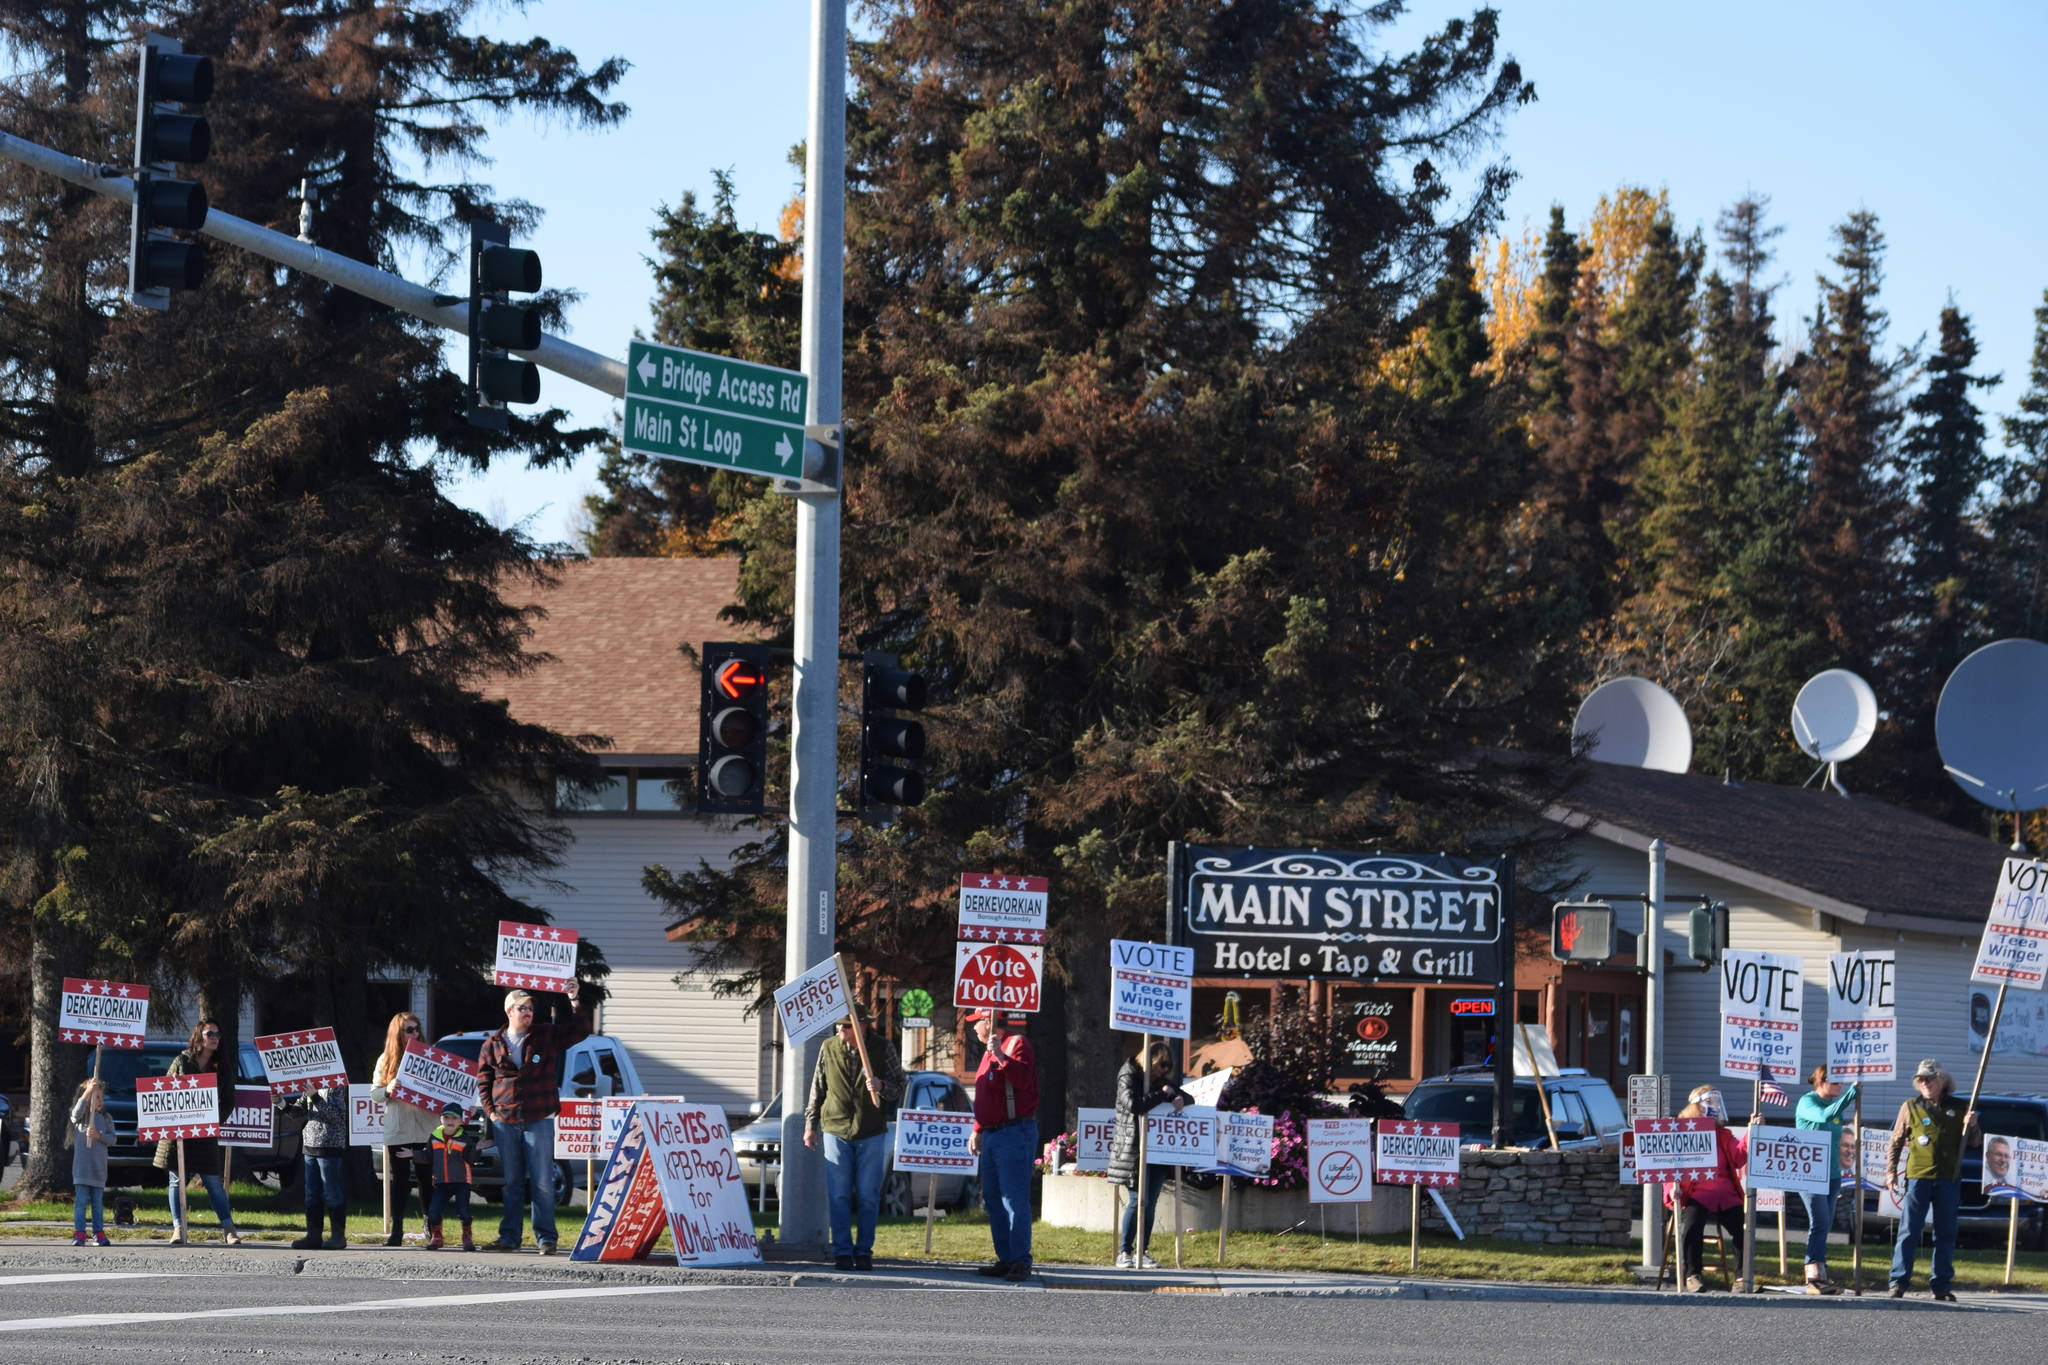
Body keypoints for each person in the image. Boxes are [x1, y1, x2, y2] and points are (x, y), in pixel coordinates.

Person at [476, 980, 585, 1254]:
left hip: (539, 1118)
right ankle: (509, 1238)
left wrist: (574, 998)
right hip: (506, 1121)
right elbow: (483, 1081)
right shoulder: (492, 1044)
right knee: (512, 1183)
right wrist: (491, 1113)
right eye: (522, 1008)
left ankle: (546, 1238)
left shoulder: (545, 1035)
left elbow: (580, 1031)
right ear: (509, 1011)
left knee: (542, 1182)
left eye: (530, 1008)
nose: (528, 1012)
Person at [802, 1012, 906, 1271]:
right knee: (838, 1195)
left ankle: (864, 1252)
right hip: (836, 1128)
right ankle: (842, 1252)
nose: (840, 1030)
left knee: (869, 1196)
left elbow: (900, 1086)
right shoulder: (829, 1047)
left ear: (861, 1026)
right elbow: (818, 1088)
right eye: (838, 1025)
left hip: (871, 1131)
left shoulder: (882, 1048)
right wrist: (810, 1125)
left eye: (846, 1026)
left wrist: (881, 1086)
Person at [1886, 1057, 1980, 1301]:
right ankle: (1898, 1282)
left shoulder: (1960, 1107)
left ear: (1941, 1080)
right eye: (1921, 1079)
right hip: (1918, 1177)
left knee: (1946, 1233)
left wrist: (1972, 1126)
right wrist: (1890, 1172)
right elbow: (1895, 1141)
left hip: (1949, 1178)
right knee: (1909, 1231)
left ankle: (1941, 1284)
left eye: (1930, 1078)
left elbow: (1974, 1142)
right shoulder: (1910, 1106)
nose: (1925, 1082)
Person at [152, 1018, 243, 1246]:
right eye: (210, 1034)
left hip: (205, 1132)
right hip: (179, 1134)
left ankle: (229, 1229)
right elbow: (164, 1092)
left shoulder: (222, 1067)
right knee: (176, 1181)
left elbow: (229, 1101)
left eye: (218, 1035)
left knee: (213, 1181)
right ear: (198, 1037)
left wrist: (212, 1121)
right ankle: (178, 1229)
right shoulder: (182, 1061)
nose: (215, 1038)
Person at [965, 1008, 1038, 1282]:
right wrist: (978, 1129)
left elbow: (1023, 1081)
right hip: (993, 1135)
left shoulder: (1017, 1045)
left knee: (1013, 1199)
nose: (974, 1029)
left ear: (990, 1022)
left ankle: (1020, 1259)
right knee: (993, 1200)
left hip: (1014, 1132)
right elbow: (985, 1095)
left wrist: (1001, 1056)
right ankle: (1005, 1258)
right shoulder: (988, 1052)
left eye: (977, 1024)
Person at [1663, 1084, 1752, 1293]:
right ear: (1696, 1106)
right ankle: (1692, 1275)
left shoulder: (1722, 1134)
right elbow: (1668, 1164)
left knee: (1742, 1230)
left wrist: (1751, 1131)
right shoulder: (1681, 1132)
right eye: (1709, 1103)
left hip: (1725, 1193)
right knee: (1692, 1227)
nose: (1714, 1107)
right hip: (1696, 1192)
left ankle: (1742, 1278)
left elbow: (1739, 1157)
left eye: (1716, 1103)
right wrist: (1670, 1190)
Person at [1108, 1041, 1185, 1269]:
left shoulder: (1160, 1082)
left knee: (1150, 1203)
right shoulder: (1129, 1074)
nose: (1164, 1070)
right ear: (1151, 1060)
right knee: (1136, 1201)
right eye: (1162, 1064)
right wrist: (1162, 1096)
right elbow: (1133, 1105)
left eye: (1168, 1066)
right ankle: (1124, 1252)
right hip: (1133, 1148)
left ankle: (1142, 1251)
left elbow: (1185, 1096)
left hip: (1156, 1151)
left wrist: (1178, 1099)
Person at [370, 1011, 437, 1247]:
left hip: (426, 1128)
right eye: (409, 1030)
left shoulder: (429, 1057)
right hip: (398, 1130)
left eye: (417, 1029)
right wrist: (389, 1088)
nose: (415, 1033)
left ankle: (431, 1228)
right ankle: (397, 1230)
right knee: (399, 1181)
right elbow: (375, 1094)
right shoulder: (385, 1060)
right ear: (398, 1033)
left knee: (426, 1180)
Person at [1794, 1065, 1858, 1293]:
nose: (1840, 1085)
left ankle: (1820, 1273)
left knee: (1825, 1224)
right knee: (1819, 1221)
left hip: (1832, 1175)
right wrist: (1852, 1093)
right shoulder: (1807, 1102)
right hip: (1808, 1173)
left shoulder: (1836, 1108)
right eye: (1836, 1081)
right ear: (1820, 1082)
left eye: (1842, 1082)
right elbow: (1824, 1115)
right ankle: (1813, 1276)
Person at [278, 1084, 350, 1250]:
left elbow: (337, 1116)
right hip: (310, 1145)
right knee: (311, 1194)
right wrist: (280, 1103)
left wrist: (316, 1096)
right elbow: (297, 1112)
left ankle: (338, 1236)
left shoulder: (337, 1086)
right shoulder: (311, 1084)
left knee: (331, 1192)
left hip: (331, 1146)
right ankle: (313, 1235)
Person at [428, 1103, 485, 1251]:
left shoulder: (464, 1139)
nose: (450, 1121)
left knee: (464, 1211)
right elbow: (428, 1156)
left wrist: (477, 1149)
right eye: (446, 1117)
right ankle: (437, 1237)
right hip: (441, 1182)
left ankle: (467, 1236)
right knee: (433, 1211)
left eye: (454, 1118)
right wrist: (413, 1154)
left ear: (460, 1121)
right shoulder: (434, 1137)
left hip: (461, 1182)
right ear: (441, 1119)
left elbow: (471, 1159)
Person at [69, 1078, 113, 1247]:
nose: (100, 1102)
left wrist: (99, 1136)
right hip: (82, 1169)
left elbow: (112, 1139)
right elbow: (75, 1112)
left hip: (98, 1169)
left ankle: (98, 1232)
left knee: (97, 1203)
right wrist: (88, 1092)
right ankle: (79, 1232)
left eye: (101, 1098)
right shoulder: (80, 1118)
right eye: (96, 1098)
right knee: (81, 1202)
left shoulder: (106, 1118)